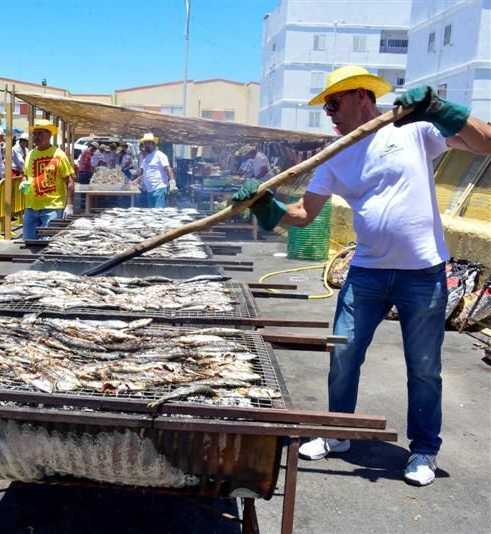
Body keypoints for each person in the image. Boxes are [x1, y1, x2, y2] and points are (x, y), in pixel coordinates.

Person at [233, 65, 491, 486]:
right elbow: (303, 213)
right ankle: (338, 433)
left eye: (334, 103)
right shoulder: (335, 156)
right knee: (344, 352)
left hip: (422, 273)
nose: (330, 113)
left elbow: (486, 143)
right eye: (326, 107)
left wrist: (441, 109)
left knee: (424, 366)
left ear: (362, 97)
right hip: (366, 272)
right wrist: (266, 208)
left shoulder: (412, 130)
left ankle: (423, 450)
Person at [20, 119, 75, 240]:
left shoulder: (59, 155)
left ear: (49, 134)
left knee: (48, 243)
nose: (36, 137)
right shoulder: (30, 154)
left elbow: (69, 181)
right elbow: (25, 174)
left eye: (40, 133)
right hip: (31, 207)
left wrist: (70, 205)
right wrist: (23, 182)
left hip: (52, 208)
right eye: (34, 134)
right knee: (29, 241)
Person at [134, 133, 175, 208]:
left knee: (158, 214)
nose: (146, 145)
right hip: (149, 190)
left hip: (159, 188)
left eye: (148, 143)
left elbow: (168, 169)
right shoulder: (147, 157)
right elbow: (145, 172)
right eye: (145, 143)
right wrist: (138, 179)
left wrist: (172, 182)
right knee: (152, 213)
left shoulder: (160, 155)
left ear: (153, 144)